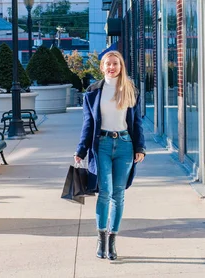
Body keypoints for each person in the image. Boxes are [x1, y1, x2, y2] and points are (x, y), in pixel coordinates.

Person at [74, 50, 146, 260]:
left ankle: (113, 241)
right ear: (102, 67)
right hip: (102, 145)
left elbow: (137, 123)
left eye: (116, 63)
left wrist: (140, 148)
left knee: (118, 194)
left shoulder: (130, 90)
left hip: (125, 145)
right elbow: (88, 125)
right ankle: (101, 239)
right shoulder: (93, 92)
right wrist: (81, 150)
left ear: (121, 66)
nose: (112, 67)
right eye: (108, 64)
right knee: (104, 192)